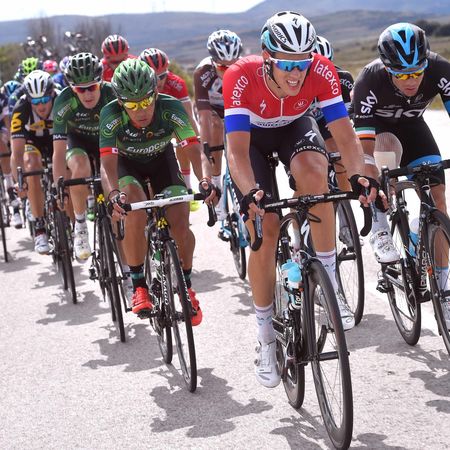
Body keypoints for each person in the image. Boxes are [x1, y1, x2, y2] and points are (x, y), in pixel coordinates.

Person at [222, 11, 376, 388]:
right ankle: (265, 337)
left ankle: (329, 281)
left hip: (293, 127)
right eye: (287, 64)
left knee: (315, 174)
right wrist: (248, 192)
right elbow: (236, 152)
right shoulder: (240, 76)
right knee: (265, 230)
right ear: (267, 58)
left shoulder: (320, 70)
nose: (296, 73)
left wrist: (359, 174)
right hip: (251, 141)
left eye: (302, 63)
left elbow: (344, 134)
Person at [99, 59, 216, 324]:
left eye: (146, 101)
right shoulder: (110, 114)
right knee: (134, 210)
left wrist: (206, 180)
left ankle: (186, 286)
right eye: (132, 105)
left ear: (155, 93)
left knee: (180, 224)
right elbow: (107, 165)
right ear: (120, 102)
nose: (141, 110)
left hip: (163, 161)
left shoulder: (170, 107)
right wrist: (114, 194)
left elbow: (194, 150)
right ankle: (139, 285)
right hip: (127, 166)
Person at [352, 22, 450, 324]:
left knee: (438, 200)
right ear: (387, 67)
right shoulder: (370, 79)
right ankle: (381, 227)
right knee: (384, 167)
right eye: (403, 74)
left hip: (415, 130)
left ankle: (444, 290)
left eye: (417, 72)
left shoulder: (440, 69)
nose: (412, 81)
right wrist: (373, 177)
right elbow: (364, 148)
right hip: (379, 134)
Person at [52, 52, 116, 261]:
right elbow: (58, 152)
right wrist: (59, 187)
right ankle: (80, 226)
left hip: (105, 140)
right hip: (77, 141)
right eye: (81, 89)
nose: (87, 94)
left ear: (100, 82)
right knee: (81, 167)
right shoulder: (63, 101)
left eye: (92, 87)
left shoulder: (111, 93)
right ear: (72, 88)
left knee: (112, 171)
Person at [194, 29, 243, 219]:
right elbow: (204, 117)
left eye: (233, 65)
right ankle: (216, 182)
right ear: (213, 62)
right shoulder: (203, 72)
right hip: (212, 110)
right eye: (223, 67)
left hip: (235, 108)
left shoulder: (245, 69)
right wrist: (205, 150)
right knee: (215, 126)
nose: (229, 71)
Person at [139, 48, 203, 192]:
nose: (159, 81)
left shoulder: (177, 83)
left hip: (168, 122)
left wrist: (197, 140)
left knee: (183, 140)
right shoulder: (138, 87)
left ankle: (188, 186)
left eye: (162, 76)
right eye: (154, 77)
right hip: (146, 124)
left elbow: (188, 116)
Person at [10, 70, 56, 253]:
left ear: (52, 93)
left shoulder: (61, 100)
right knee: (31, 164)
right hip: (32, 141)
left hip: (56, 139)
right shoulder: (20, 108)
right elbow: (17, 152)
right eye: (36, 102)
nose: (41, 105)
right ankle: (39, 227)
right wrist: (20, 180)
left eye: (45, 99)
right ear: (29, 100)